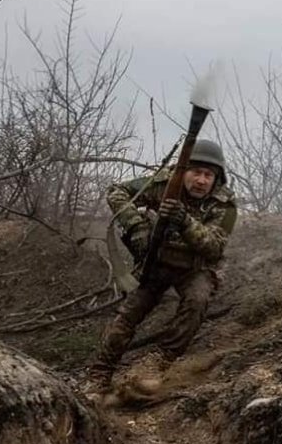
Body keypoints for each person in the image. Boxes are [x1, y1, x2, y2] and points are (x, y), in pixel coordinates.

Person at [92, 139, 238, 391]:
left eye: (208, 175)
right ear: (184, 172)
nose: (201, 180)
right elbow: (116, 191)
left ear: (216, 179)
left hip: (196, 267)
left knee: (198, 300)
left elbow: (213, 247)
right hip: (157, 262)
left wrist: (184, 222)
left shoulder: (223, 205)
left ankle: (161, 359)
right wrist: (136, 224)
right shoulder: (164, 184)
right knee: (128, 315)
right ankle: (99, 375)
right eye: (195, 172)